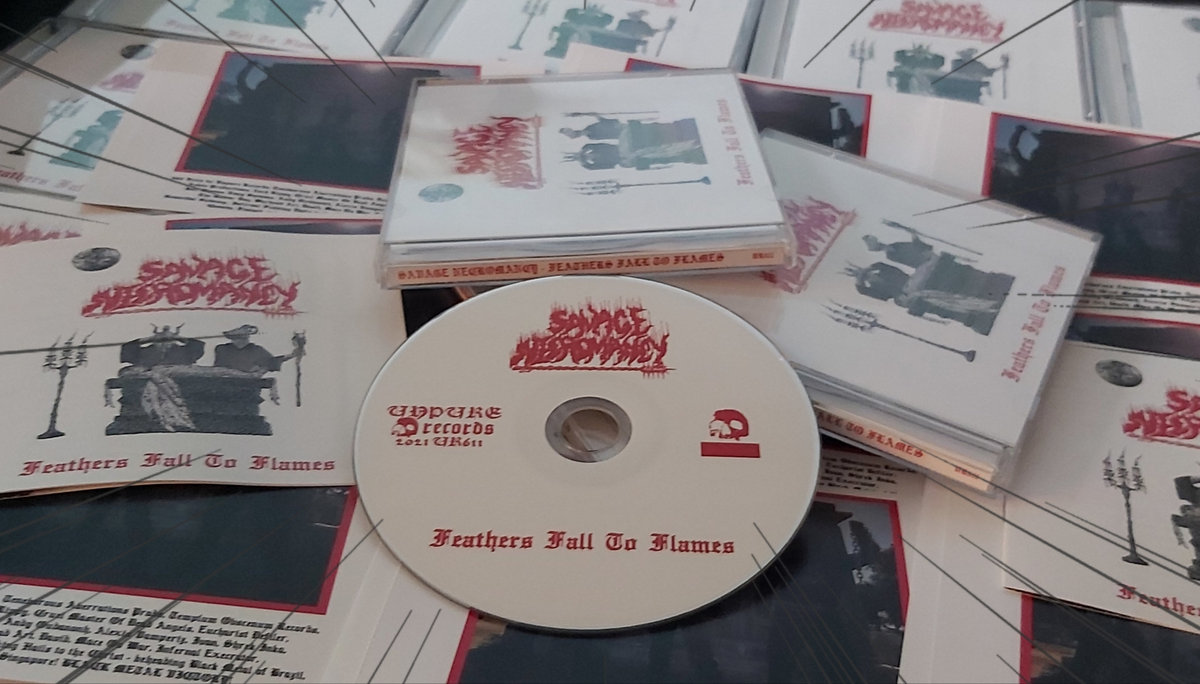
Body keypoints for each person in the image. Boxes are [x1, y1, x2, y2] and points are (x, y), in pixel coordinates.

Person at [213, 324, 294, 374]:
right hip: (225, 382)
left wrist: (291, 355)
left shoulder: (257, 350)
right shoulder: (222, 349)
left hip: (249, 383)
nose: (241, 340)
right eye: (237, 337)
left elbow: (271, 361)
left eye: (244, 337)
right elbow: (219, 368)